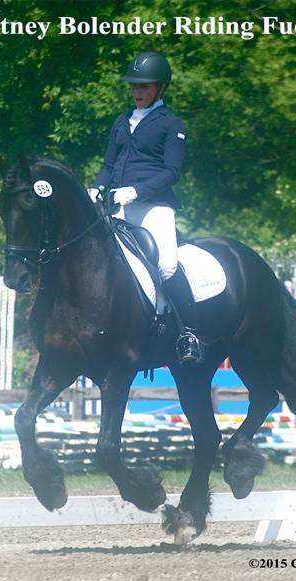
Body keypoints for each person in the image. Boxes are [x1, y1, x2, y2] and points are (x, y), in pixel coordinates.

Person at [89, 51, 204, 366]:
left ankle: (189, 333)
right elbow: (108, 164)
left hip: (154, 207)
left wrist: (136, 191)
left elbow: (172, 172)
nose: (137, 92)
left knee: (166, 265)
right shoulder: (121, 121)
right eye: (134, 86)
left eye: (145, 87)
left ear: (161, 88)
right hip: (118, 206)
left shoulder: (171, 124)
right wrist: (97, 188)